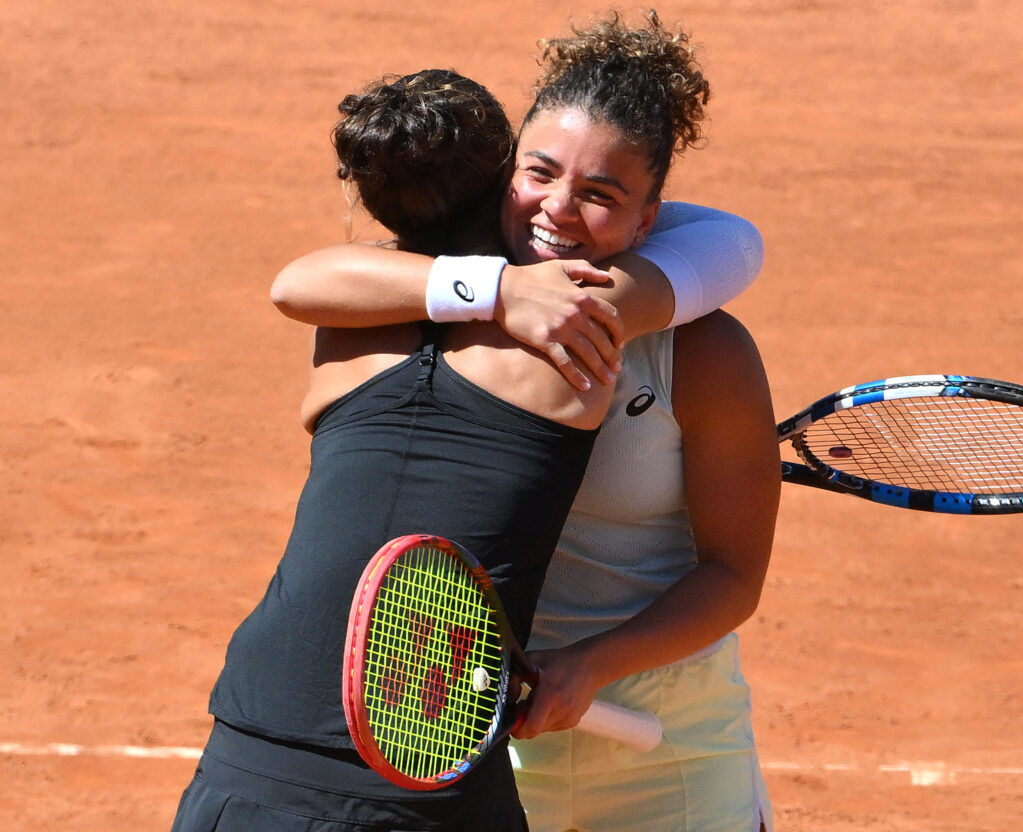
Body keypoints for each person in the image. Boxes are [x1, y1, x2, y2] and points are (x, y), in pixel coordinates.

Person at [270, 11, 781, 832]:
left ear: (650, 220)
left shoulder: (704, 351)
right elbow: (301, 283)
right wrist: (499, 291)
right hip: (479, 725)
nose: (559, 209)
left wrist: (591, 665)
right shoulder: (443, 294)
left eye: (601, 195)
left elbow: (733, 576)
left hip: (670, 741)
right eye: (539, 173)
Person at [169, 69, 638, 832]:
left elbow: (298, 281)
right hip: (427, 768)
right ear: (505, 179)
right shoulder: (584, 312)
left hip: (255, 746)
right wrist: (511, 287)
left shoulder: (341, 318)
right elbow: (722, 244)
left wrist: (492, 288)